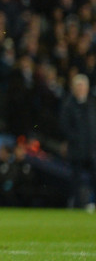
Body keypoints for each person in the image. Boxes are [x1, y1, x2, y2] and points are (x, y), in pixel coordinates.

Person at [59, 74, 96, 212]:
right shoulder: (69, 104)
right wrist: (75, 139)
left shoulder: (92, 104)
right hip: (76, 149)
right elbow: (64, 126)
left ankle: (91, 203)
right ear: (73, 88)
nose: (81, 89)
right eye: (78, 86)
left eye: (82, 86)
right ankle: (78, 204)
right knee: (76, 179)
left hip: (92, 149)